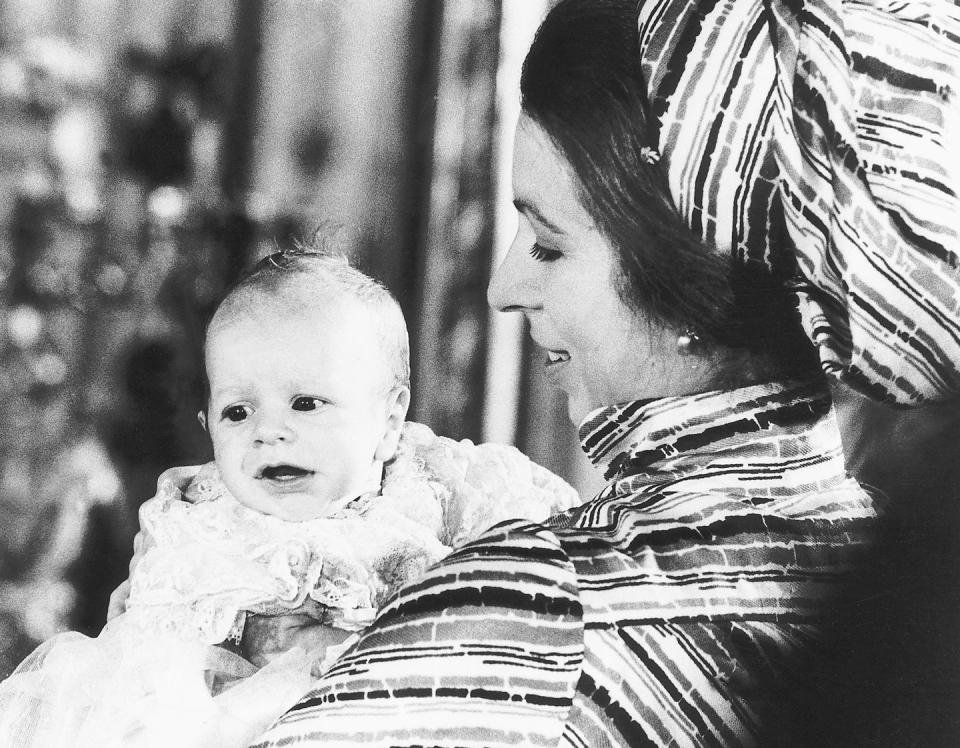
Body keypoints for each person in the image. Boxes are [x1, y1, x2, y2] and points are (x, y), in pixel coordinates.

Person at [125, 0, 960, 744]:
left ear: (689, 294)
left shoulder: (527, 621)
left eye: (550, 243)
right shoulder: (900, 589)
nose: (504, 287)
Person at [0, 249, 578, 748]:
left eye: (305, 404)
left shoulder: (426, 496)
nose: (267, 432)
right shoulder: (207, 522)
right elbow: (147, 640)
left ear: (389, 419)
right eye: (237, 412)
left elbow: (528, 548)